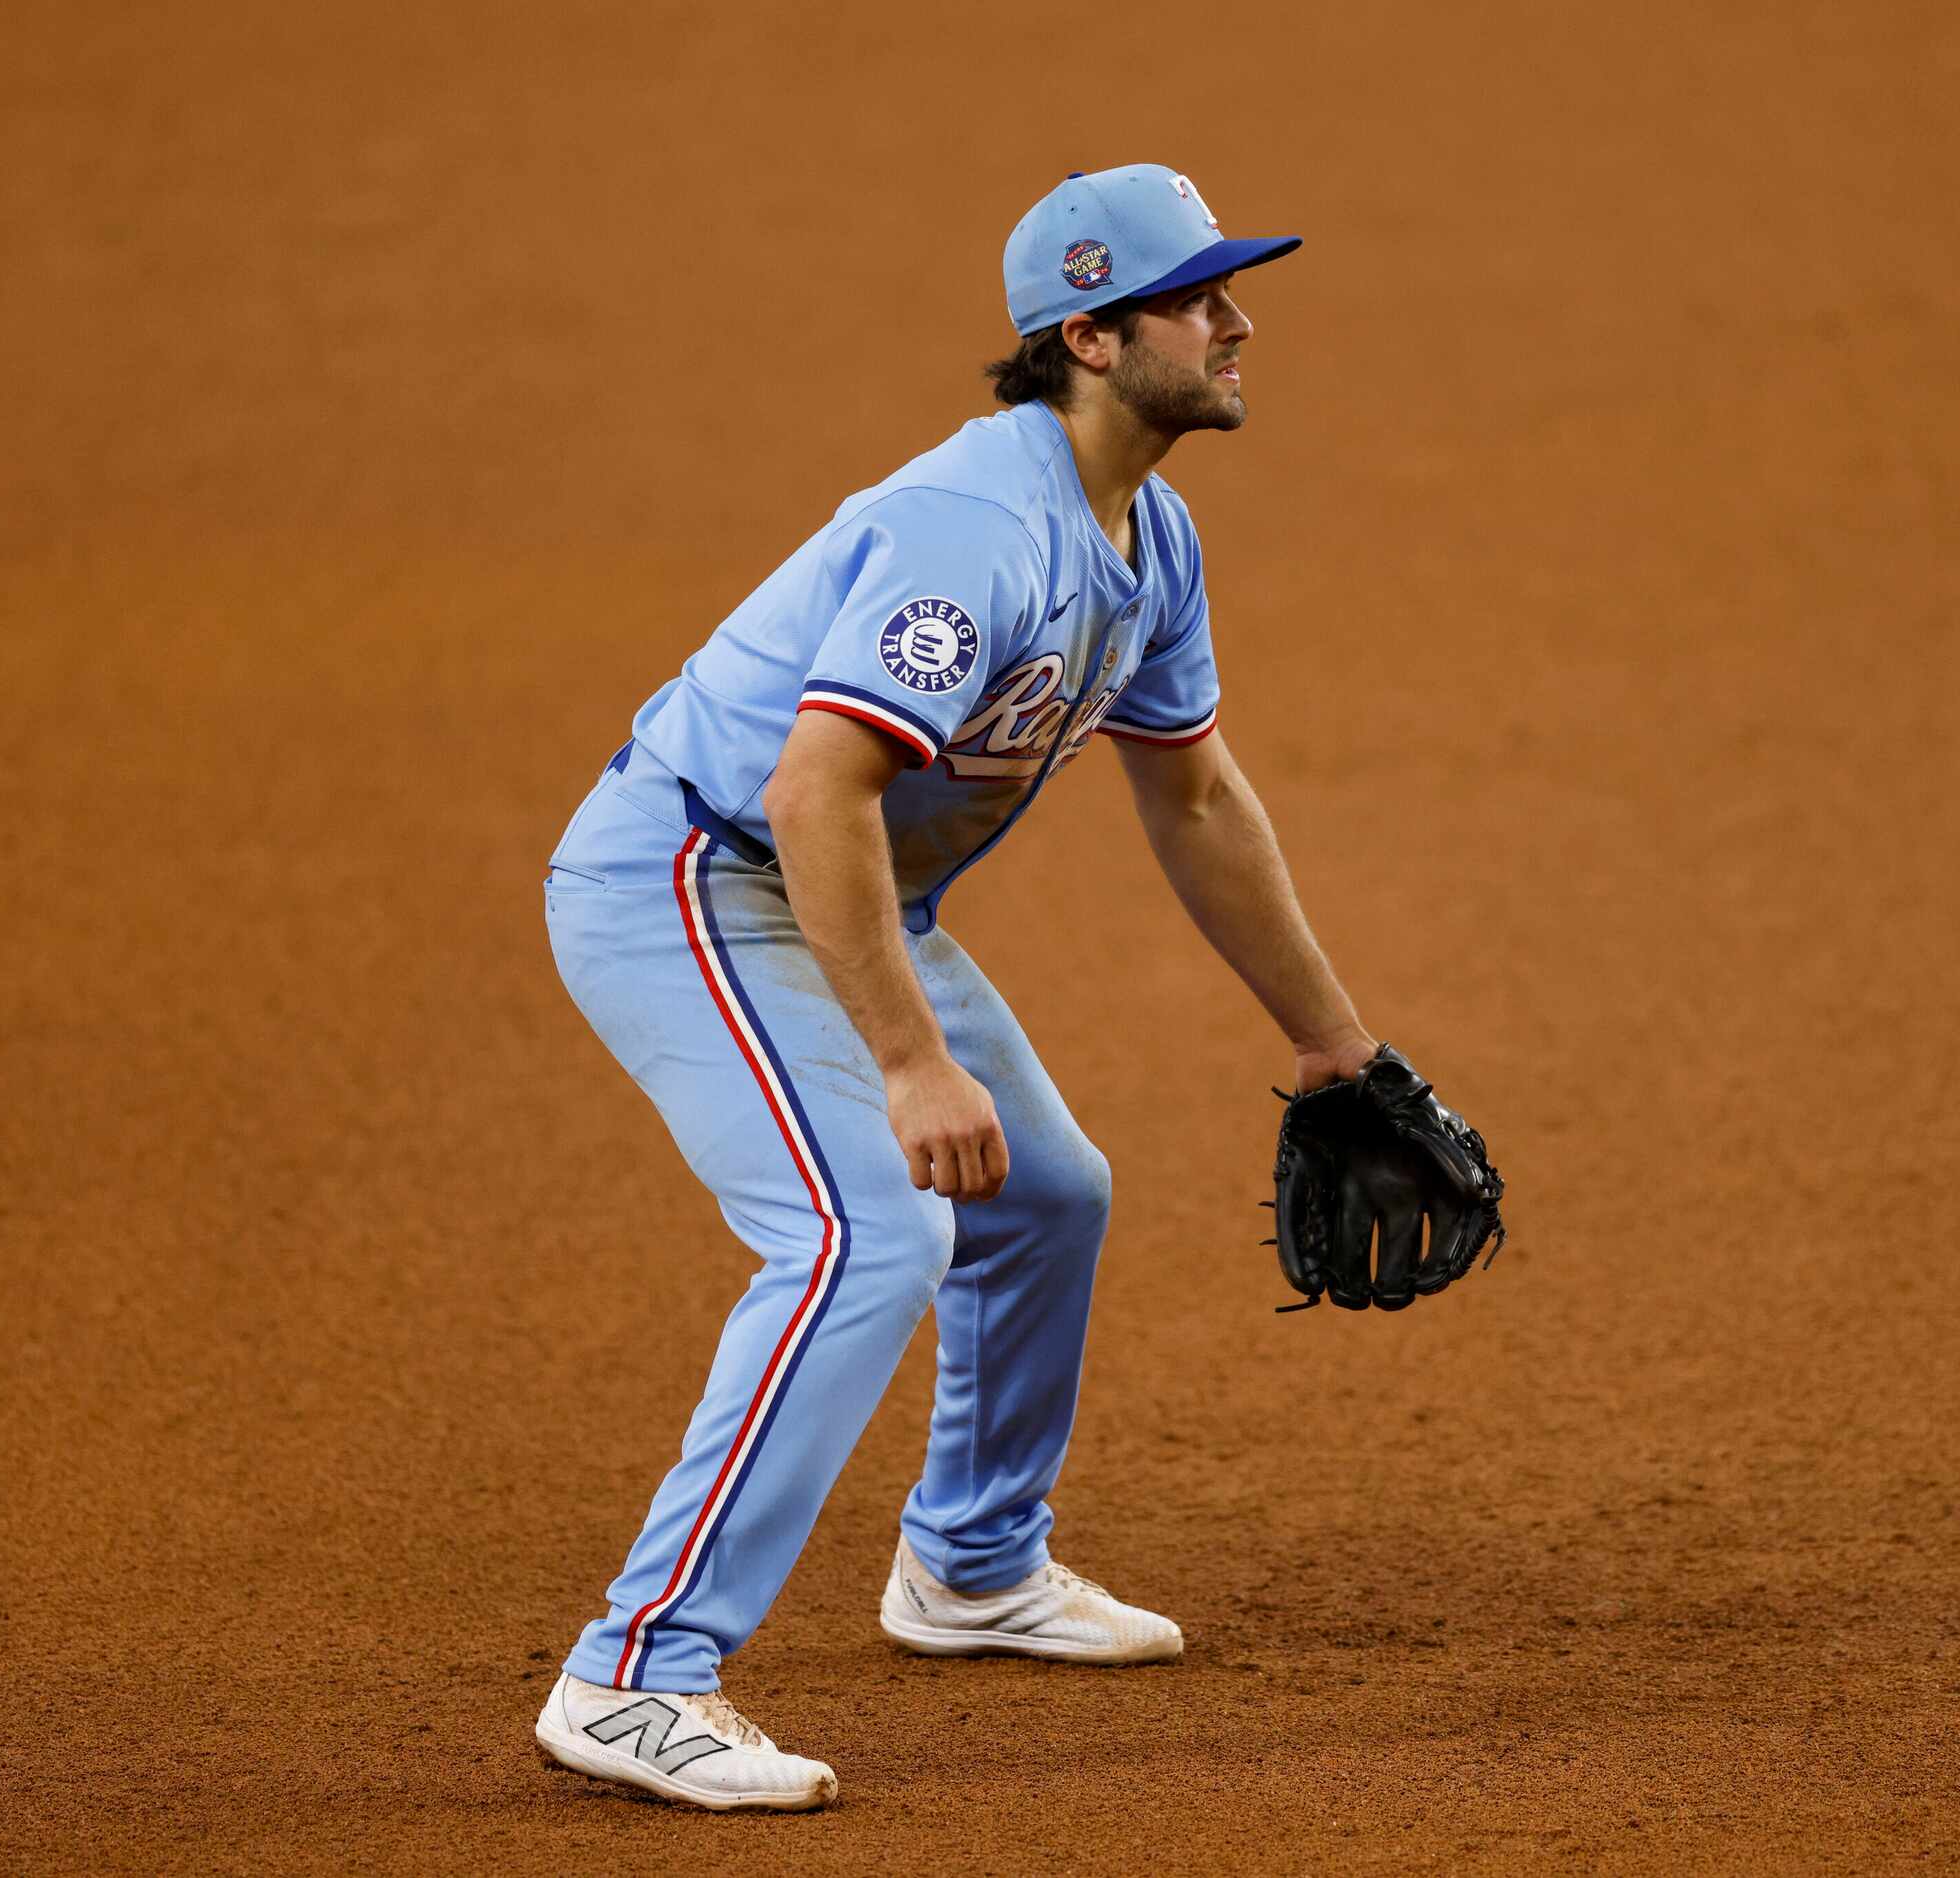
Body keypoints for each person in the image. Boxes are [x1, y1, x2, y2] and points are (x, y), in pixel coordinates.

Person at [530, 165, 1378, 1812]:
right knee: (869, 1230)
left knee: (1049, 1194)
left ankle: (973, 1564)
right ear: (1090, 332)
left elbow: (1193, 797)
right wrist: (913, 1067)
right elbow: (810, 795)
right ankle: (635, 1670)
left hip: (847, 891)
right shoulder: (977, 534)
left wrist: (1332, 1042)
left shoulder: (1153, 535)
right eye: (1199, 297)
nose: (1238, 319)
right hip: (693, 878)